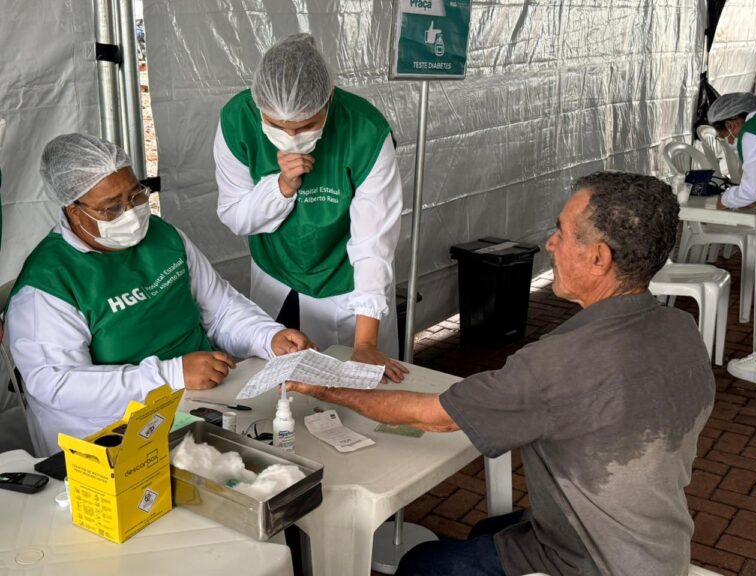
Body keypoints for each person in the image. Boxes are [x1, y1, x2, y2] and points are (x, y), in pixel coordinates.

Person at [287, 172, 715, 576]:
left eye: (561, 232)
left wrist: (330, 389)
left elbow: (435, 416)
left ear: (599, 258)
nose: (550, 243)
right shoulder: (680, 327)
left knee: (421, 563)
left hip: (590, 560)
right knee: (485, 532)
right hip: (659, 546)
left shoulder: (561, 361)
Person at [5, 133, 313, 456]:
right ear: (74, 211)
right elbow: (60, 386)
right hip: (113, 436)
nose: (130, 213)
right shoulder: (48, 285)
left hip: (202, 403)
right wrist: (171, 375)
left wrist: (269, 337)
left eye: (136, 195)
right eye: (111, 208)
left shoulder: (162, 237)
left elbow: (220, 308)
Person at [214, 33, 408, 383]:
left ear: (328, 99)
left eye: (306, 126)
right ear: (259, 107)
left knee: (354, 390)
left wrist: (365, 343)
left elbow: (373, 243)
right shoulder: (237, 120)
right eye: (275, 126)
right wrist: (281, 187)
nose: (290, 137)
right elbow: (236, 217)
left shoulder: (364, 130)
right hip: (277, 276)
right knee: (274, 392)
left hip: (347, 287)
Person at [708, 93, 756, 384]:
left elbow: (751, 190)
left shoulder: (754, 131)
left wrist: (726, 199)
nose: (729, 139)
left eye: (725, 132)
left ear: (733, 122)